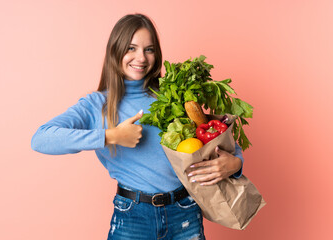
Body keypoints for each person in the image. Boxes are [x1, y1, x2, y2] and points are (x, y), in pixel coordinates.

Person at [31, 13, 243, 240]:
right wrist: (111, 136)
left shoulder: (173, 96)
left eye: (149, 49)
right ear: (115, 51)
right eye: (131, 48)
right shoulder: (97, 105)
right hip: (132, 217)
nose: (141, 57)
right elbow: (41, 139)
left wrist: (236, 163)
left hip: (184, 212)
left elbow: (212, 135)